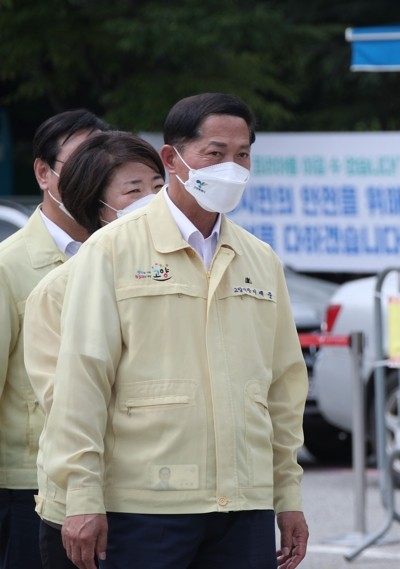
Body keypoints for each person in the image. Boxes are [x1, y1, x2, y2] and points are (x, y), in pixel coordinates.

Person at [41, 93, 309, 569]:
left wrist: (286, 495)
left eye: (242, 154)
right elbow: (82, 379)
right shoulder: (112, 250)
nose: (232, 167)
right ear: (173, 158)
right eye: (215, 153)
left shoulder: (259, 260)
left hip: (243, 506)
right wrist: (82, 495)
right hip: (145, 506)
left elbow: (284, 387)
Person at [22, 131, 163, 569]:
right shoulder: (55, 292)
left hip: (167, 498)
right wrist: (84, 498)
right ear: (96, 206)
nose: (152, 201)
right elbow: (67, 404)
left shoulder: (171, 278)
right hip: (103, 498)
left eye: (158, 187)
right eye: (133, 190)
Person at [0, 109, 109, 569]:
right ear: (43, 173)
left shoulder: (122, 257)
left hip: (110, 482)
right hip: (27, 486)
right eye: (81, 163)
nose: (94, 179)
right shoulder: (10, 266)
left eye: (103, 166)